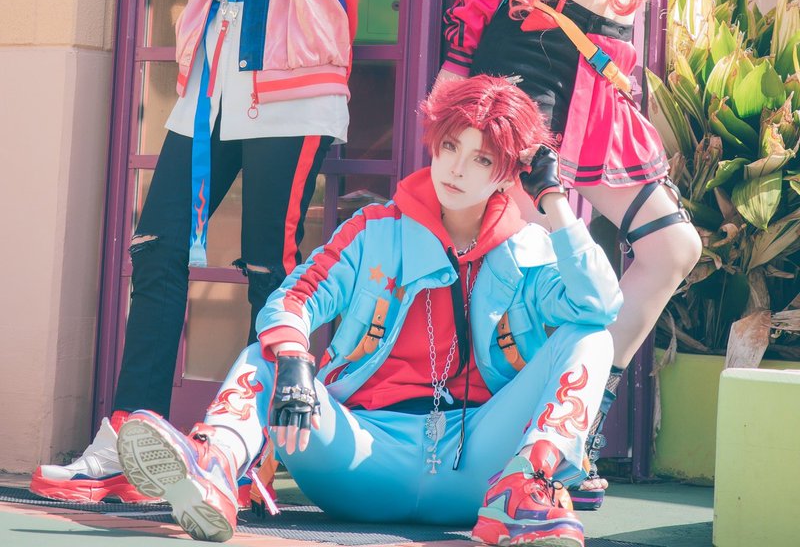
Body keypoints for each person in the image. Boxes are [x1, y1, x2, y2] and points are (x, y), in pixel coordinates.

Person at [32, 0, 383, 505]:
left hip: (291, 88)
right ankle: (127, 439)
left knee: (270, 271)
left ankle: (245, 457)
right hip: (213, 85)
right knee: (157, 253)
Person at [437, 0, 744, 506]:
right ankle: (503, 442)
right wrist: (455, 71)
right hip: (528, 61)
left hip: (604, 73)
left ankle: (572, 423)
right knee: (521, 264)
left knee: (671, 250)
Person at [112, 75, 622, 545]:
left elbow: (600, 305)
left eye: (482, 159)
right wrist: (294, 360)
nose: (456, 169)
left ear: (510, 173)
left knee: (590, 336)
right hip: (357, 456)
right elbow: (293, 298)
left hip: (479, 468)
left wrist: (553, 198)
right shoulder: (373, 231)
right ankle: (214, 468)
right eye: (449, 146)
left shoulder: (530, 250)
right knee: (268, 354)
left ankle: (529, 486)